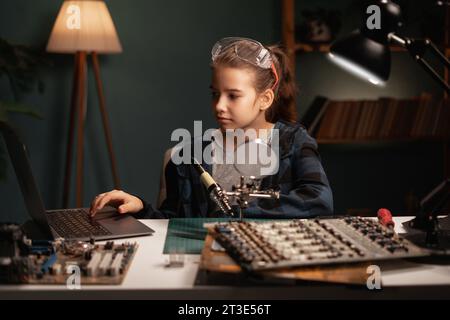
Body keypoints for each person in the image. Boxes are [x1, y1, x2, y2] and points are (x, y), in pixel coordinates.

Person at [89, 37, 333, 219]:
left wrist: (238, 209)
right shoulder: (187, 157)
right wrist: (140, 208)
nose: (219, 106)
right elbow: (173, 222)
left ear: (265, 99)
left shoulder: (295, 142)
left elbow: (319, 201)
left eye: (233, 96)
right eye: (215, 94)